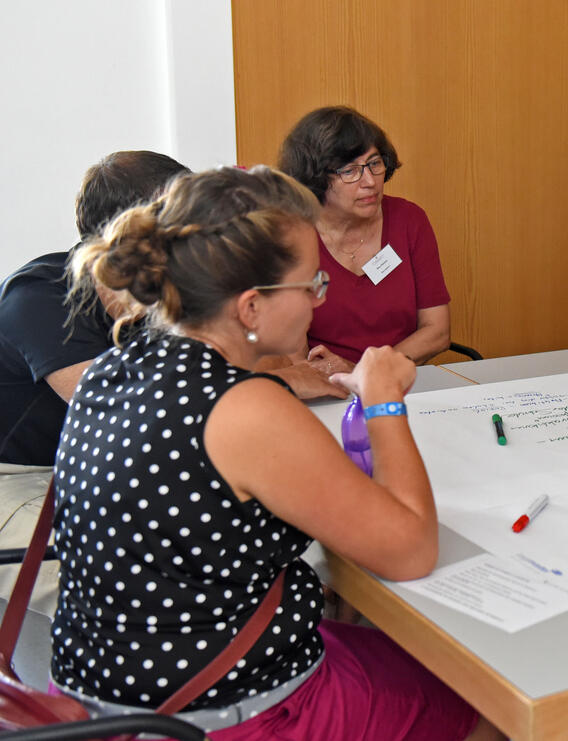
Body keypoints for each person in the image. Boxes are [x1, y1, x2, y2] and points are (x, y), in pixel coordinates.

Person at [52, 166, 502, 740]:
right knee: (487, 700)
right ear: (250, 308)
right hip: (219, 714)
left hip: (93, 694)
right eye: (312, 284)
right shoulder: (245, 409)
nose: (320, 300)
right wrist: (384, 399)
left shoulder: (114, 370)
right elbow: (410, 550)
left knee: (389, 644)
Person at [0, 151, 190, 466]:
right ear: (127, 229)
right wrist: (274, 383)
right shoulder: (38, 299)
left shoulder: (159, 291)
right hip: (21, 476)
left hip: (101, 460)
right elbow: (118, 410)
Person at [278, 106, 451, 372]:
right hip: (327, 387)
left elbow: (437, 331)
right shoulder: (291, 237)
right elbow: (295, 357)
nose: (370, 181)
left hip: (399, 379)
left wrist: (364, 372)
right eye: (349, 170)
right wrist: (341, 377)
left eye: (374, 164)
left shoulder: (409, 220)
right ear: (316, 177)